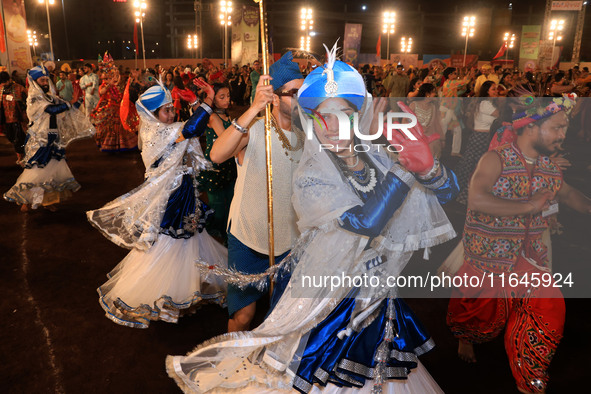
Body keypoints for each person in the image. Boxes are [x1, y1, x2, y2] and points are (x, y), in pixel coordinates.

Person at [167, 42, 459, 394]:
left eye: (343, 115)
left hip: (376, 300)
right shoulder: (312, 175)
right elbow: (364, 222)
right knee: (266, 333)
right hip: (325, 301)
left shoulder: (376, 158)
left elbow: (443, 199)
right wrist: (403, 172)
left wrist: (430, 170)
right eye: (321, 117)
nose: (332, 127)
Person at [447, 96, 591, 394]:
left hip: (529, 257)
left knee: (549, 307)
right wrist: (528, 206)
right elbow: (477, 199)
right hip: (487, 255)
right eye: (557, 128)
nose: (563, 135)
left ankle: (530, 378)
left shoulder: (549, 167)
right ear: (531, 128)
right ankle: (466, 336)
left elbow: (566, 194)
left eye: (565, 128)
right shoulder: (495, 158)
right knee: (474, 309)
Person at [87, 79, 227, 328]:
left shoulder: (168, 128)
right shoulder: (156, 132)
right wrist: (206, 102)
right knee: (170, 243)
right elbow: (193, 128)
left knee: (189, 239)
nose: (172, 113)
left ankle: (184, 293)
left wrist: (197, 103)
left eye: (173, 109)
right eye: (166, 110)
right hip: (169, 197)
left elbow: (190, 129)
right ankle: (167, 298)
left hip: (183, 191)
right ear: (152, 114)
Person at [208, 51, 305, 333]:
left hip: (289, 242)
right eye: (294, 93)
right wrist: (252, 109)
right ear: (275, 97)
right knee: (244, 316)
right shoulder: (254, 129)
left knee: (283, 317)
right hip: (248, 237)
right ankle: (232, 367)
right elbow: (216, 155)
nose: (301, 99)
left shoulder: (303, 137)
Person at [4, 66, 94, 211]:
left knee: (51, 171)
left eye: (47, 79)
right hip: (40, 140)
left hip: (53, 138)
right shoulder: (34, 98)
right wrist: (71, 102)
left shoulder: (49, 97)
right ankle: (26, 201)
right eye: (42, 80)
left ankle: (48, 201)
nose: (45, 82)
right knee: (36, 171)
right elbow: (53, 110)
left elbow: (66, 108)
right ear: (35, 81)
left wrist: (78, 100)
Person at [197, 82, 237, 244]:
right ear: (214, 100)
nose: (226, 100)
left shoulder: (228, 116)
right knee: (218, 207)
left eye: (228, 96)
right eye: (222, 97)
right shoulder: (213, 118)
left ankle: (227, 236)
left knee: (231, 203)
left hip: (229, 165)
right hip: (215, 167)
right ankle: (209, 240)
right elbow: (227, 138)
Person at [455, 80, 500, 204]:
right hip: (480, 137)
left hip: (480, 137)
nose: (496, 91)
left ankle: (461, 193)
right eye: (493, 89)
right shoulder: (486, 104)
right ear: (487, 91)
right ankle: (465, 196)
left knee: (471, 165)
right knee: (476, 167)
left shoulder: (486, 103)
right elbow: (500, 116)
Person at [91, 68, 138, 152]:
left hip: (118, 109)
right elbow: (101, 92)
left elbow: (122, 92)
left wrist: (130, 78)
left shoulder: (116, 87)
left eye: (109, 78)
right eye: (105, 79)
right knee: (110, 128)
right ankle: (109, 145)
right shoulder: (104, 86)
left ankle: (122, 145)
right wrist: (109, 84)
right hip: (109, 111)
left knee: (121, 126)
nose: (107, 80)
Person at [0, 71, 28, 165]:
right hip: (6, 120)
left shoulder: (19, 88)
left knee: (19, 139)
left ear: (9, 80)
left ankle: (21, 158)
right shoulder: (0, 88)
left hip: (18, 119)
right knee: (11, 138)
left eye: (5, 82)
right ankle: (21, 155)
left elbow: (27, 99)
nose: (4, 84)